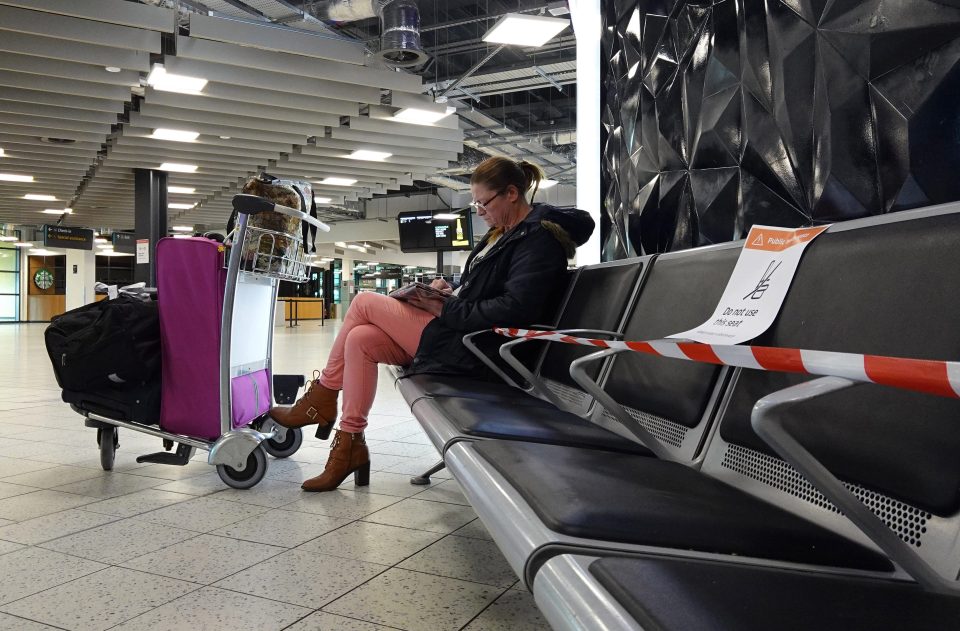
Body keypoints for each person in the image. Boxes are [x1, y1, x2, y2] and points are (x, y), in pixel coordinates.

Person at [269, 157, 594, 492]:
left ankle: (321, 400)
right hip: (466, 337)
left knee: (364, 302)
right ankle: (350, 444)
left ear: (512, 193)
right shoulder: (506, 234)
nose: (479, 211)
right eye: (475, 203)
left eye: (483, 202)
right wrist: (450, 292)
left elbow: (516, 309)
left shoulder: (538, 240)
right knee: (361, 339)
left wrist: (446, 308)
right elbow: (487, 292)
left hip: (482, 352)